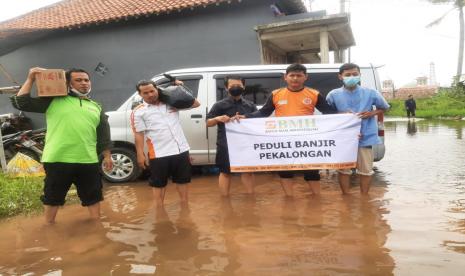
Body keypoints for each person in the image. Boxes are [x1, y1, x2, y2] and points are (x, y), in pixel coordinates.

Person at [10, 67, 113, 224]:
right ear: (68, 83)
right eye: (78, 80)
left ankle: (97, 227)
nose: (84, 83)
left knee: (93, 196)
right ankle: (48, 228)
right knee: (53, 197)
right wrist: (30, 78)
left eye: (86, 80)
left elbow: (103, 134)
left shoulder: (96, 106)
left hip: (88, 159)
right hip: (58, 158)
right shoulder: (54, 100)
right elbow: (21, 102)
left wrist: (107, 155)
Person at [240, 63, 335, 197]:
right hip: (283, 142)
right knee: (285, 171)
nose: (295, 78)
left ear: (305, 77)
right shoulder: (276, 94)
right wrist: (245, 117)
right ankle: (289, 198)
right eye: (292, 75)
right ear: (286, 77)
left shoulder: (314, 94)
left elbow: (330, 113)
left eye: (299, 75)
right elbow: (263, 113)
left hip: (307, 141)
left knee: (311, 170)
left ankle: (316, 199)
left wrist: (348, 117)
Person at [131, 80, 200, 206]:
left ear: (157, 89)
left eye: (152, 91)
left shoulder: (172, 102)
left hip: (181, 149)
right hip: (159, 153)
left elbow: (196, 104)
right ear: (140, 94)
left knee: (183, 181)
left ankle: (185, 206)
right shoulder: (138, 111)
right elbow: (139, 134)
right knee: (158, 184)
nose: (150, 94)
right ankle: (159, 209)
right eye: (145, 93)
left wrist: (179, 89)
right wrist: (140, 154)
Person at [326, 63, 390, 195]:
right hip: (343, 138)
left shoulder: (371, 92)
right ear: (340, 76)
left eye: (355, 74)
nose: (351, 77)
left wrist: (371, 113)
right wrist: (341, 115)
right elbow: (327, 114)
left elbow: (384, 107)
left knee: (366, 170)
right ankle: (346, 197)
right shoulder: (333, 94)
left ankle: (364, 198)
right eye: (347, 75)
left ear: (360, 75)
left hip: (365, 136)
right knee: (344, 170)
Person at [207, 76, 257, 196]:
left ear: (243, 87)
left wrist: (246, 118)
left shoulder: (250, 105)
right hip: (225, 144)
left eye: (238, 86)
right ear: (226, 88)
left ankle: (251, 199)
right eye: (232, 86)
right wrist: (217, 118)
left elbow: (258, 122)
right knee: (225, 172)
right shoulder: (219, 105)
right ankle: (225, 200)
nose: (236, 88)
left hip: (246, 145)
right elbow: (208, 123)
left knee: (248, 172)